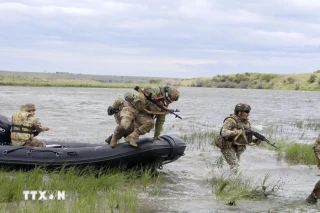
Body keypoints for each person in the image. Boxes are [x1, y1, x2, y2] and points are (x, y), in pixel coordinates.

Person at [106, 86, 180, 148]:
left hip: (141, 114)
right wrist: (154, 99)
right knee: (125, 124)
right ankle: (114, 137)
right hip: (132, 107)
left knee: (150, 123)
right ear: (166, 94)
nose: (170, 101)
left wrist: (157, 136)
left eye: (172, 101)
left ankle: (131, 137)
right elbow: (148, 88)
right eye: (170, 98)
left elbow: (160, 121)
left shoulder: (164, 107)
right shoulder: (158, 91)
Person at [218, 103, 261, 171]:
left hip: (238, 147)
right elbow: (224, 132)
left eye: (248, 112)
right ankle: (229, 179)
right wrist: (234, 132)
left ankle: (227, 176)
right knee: (234, 166)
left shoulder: (246, 123)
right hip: (228, 146)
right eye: (246, 112)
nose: (248, 114)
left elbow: (245, 136)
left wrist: (254, 140)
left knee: (236, 165)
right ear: (239, 112)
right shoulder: (230, 120)